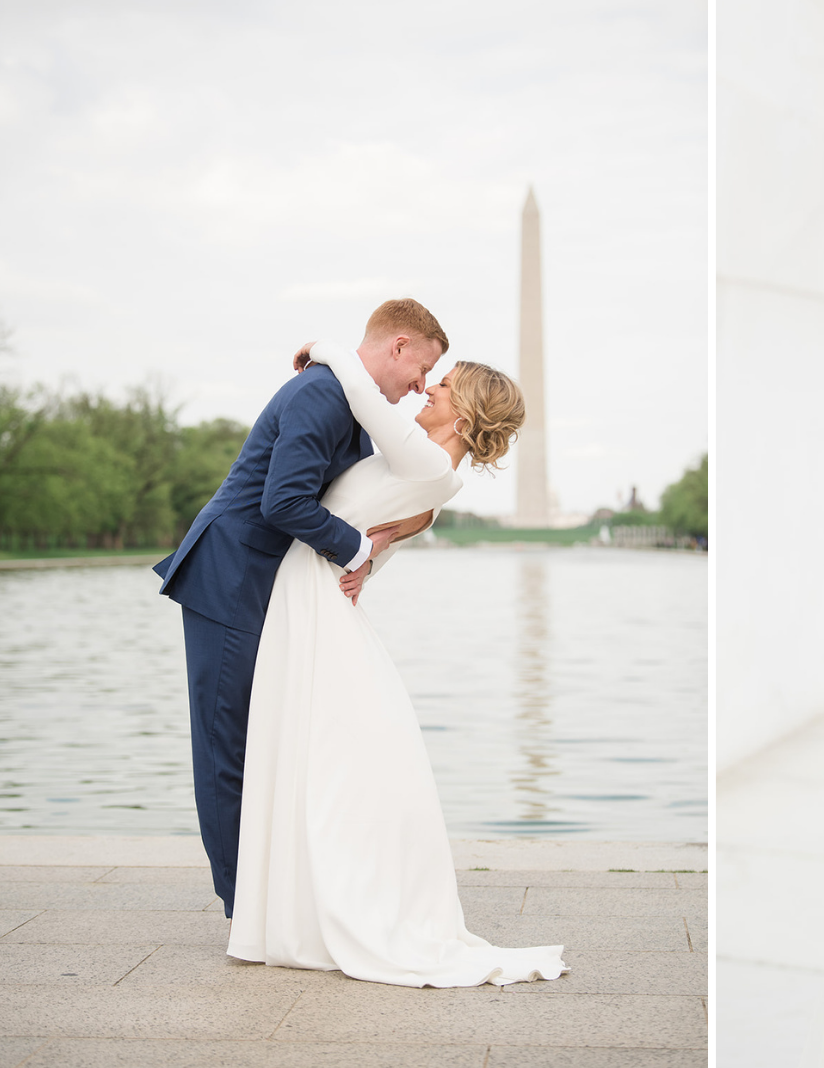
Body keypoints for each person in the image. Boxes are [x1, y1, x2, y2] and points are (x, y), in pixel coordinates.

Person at [226, 337, 567, 988]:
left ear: (462, 415)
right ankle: (307, 902)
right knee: (323, 758)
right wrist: (365, 556)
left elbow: (360, 390)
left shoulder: (426, 463)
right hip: (313, 597)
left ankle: (321, 905)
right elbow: (378, 537)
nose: (428, 387)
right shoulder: (432, 478)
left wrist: (325, 348)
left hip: (312, 603)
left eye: (442, 385)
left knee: (322, 759)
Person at [154, 298, 446, 917]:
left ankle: (271, 890)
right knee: (225, 743)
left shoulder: (347, 397)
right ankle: (243, 906)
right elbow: (282, 503)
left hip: (268, 584)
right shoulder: (323, 395)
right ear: (397, 346)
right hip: (232, 577)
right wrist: (358, 549)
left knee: (264, 739)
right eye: (421, 370)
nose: (421, 387)